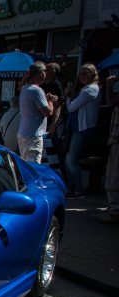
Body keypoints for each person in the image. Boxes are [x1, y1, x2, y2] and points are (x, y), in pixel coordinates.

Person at [63, 63, 101, 199]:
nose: (81, 77)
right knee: (68, 159)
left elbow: (72, 108)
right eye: (80, 74)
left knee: (71, 159)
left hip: (82, 129)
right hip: (76, 127)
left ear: (91, 75)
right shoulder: (86, 89)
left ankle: (78, 190)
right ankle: (71, 188)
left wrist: (68, 97)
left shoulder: (90, 90)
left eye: (85, 73)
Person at [18, 62, 57, 163]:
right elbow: (48, 113)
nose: (46, 74)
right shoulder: (37, 90)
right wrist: (50, 102)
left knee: (26, 165)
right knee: (33, 167)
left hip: (23, 133)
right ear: (40, 73)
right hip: (33, 136)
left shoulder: (25, 88)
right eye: (45, 71)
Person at [103, 75, 119, 222]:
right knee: (112, 174)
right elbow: (111, 102)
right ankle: (114, 208)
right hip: (115, 138)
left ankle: (115, 209)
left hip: (117, 138)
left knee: (114, 175)